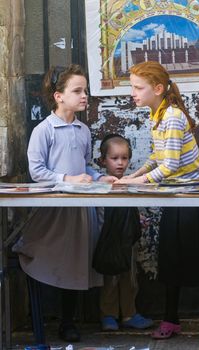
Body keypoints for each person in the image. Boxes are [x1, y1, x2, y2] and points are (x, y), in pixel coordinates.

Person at [116, 61, 199, 340]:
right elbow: (157, 157)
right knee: (170, 259)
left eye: (138, 87)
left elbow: (170, 165)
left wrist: (134, 182)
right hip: (176, 195)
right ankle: (170, 318)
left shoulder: (173, 116)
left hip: (193, 196)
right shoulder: (157, 114)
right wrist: (132, 176)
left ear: (157, 88)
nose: (133, 92)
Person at [14, 64, 116, 342]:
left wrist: (99, 176)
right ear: (58, 96)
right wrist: (68, 179)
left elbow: (84, 166)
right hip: (54, 211)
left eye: (85, 90)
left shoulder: (83, 130)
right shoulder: (44, 130)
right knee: (47, 259)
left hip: (79, 211)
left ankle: (68, 322)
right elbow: (37, 172)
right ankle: (40, 320)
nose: (84, 96)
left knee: (75, 264)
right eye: (77, 91)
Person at [97, 134, 154, 331]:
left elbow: (133, 210)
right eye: (114, 158)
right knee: (110, 278)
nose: (120, 163)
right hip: (108, 241)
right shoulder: (100, 185)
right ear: (103, 160)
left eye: (124, 158)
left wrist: (140, 220)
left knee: (130, 278)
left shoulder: (132, 182)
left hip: (128, 240)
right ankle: (109, 315)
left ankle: (129, 314)